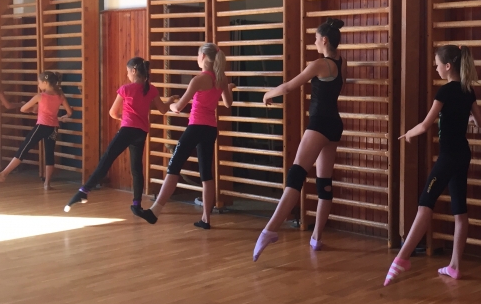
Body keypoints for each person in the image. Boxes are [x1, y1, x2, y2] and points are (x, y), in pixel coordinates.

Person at [384, 45, 481, 285]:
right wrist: (469, 116)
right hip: (462, 154)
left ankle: (402, 258)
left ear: (448, 66)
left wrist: (409, 133)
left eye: (437, 64)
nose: (436, 68)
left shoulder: (445, 92)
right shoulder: (467, 90)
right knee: (460, 211)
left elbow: (426, 124)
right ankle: (454, 266)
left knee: (425, 204)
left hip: (448, 156)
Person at [253, 18, 345, 260]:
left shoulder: (320, 64)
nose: (314, 42)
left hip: (319, 124)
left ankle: (270, 230)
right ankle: (316, 238)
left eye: (315, 39)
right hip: (334, 125)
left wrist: (268, 94)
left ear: (324, 40)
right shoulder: (339, 61)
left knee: (296, 175)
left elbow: (288, 87)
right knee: (324, 183)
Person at [134, 43, 231, 228]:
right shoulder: (221, 78)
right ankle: (206, 219)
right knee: (206, 173)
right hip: (210, 129)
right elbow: (227, 103)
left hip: (195, 127)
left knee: (174, 166)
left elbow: (179, 107)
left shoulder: (198, 80)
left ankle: (155, 211)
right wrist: (229, 88)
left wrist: (169, 105)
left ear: (203, 57)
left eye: (198, 55)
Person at [65, 57, 172, 215]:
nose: (127, 74)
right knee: (136, 168)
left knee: (107, 159)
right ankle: (136, 204)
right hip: (141, 132)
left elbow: (113, 113)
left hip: (127, 130)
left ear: (133, 71)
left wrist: (124, 116)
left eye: (128, 71)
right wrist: (170, 100)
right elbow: (163, 109)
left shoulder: (126, 89)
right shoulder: (151, 89)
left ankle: (84, 191)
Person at [0, 71, 72, 189]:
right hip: (53, 128)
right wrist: (62, 118)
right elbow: (69, 112)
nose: (38, 85)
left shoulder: (40, 96)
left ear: (45, 83)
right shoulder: (60, 95)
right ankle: (47, 183)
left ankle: (4, 174)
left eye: (39, 83)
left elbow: (23, 109)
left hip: (41, 126)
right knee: (49, 154)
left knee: (23, 149)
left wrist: (33, 110)